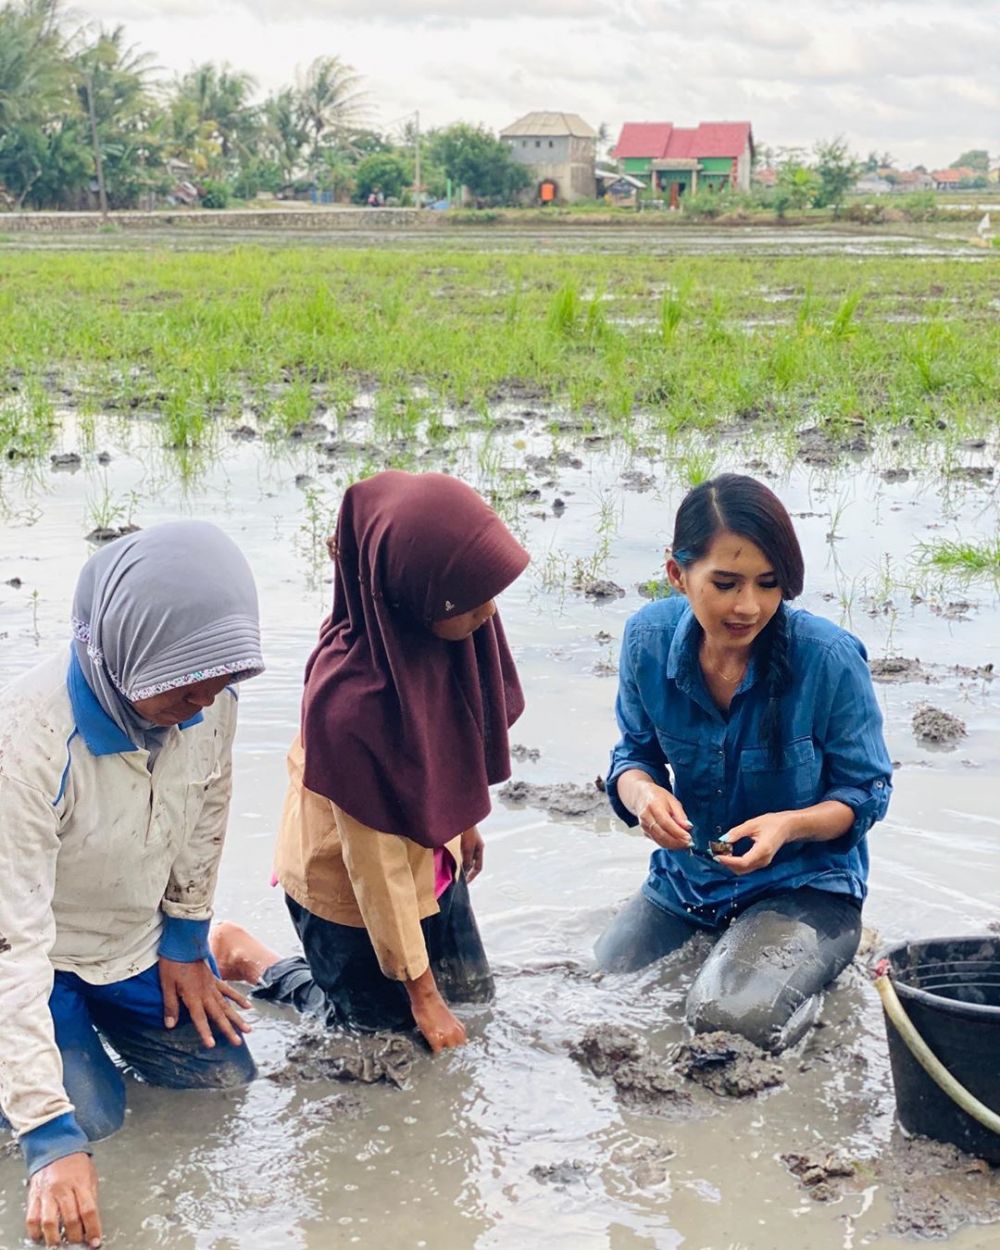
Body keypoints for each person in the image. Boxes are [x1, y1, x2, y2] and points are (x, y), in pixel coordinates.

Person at [0, 522, 265, 1249]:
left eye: (219, 688)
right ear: (129, 659)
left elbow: (208, 807)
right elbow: (10, 943)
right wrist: (50, 1141)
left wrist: (184, 938)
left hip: (137, 943)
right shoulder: (26, 745)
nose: (205, 709)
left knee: (223, 1082)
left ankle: (201, 953)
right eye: (186, 693)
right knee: (93, 1128)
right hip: (36, 956)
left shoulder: (209, 700)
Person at [213, 470, 530, 1054]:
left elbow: (455, 736)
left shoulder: (441, 636)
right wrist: (423, 995)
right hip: (351, 898)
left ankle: (395, 982)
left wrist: (463, 822)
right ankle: (251, 959)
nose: (489, 611)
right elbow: (375, 873)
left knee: (477, 1002)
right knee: (379, 1036)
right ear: (415, 592)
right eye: (472, 597)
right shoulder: (352, 705)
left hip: (434, 861)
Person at [596, 474, 892, 1052]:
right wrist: (642, 796)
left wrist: (789, 825)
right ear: (677, 574)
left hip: (805, 886)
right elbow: (633, 758)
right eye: (726, 584)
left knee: (731, 1023)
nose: (749, 607)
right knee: (605, 982)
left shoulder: (828, 659)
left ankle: (818, 966)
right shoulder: (646, 642)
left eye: (768, 583)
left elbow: (867, 792)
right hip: (687, 879)